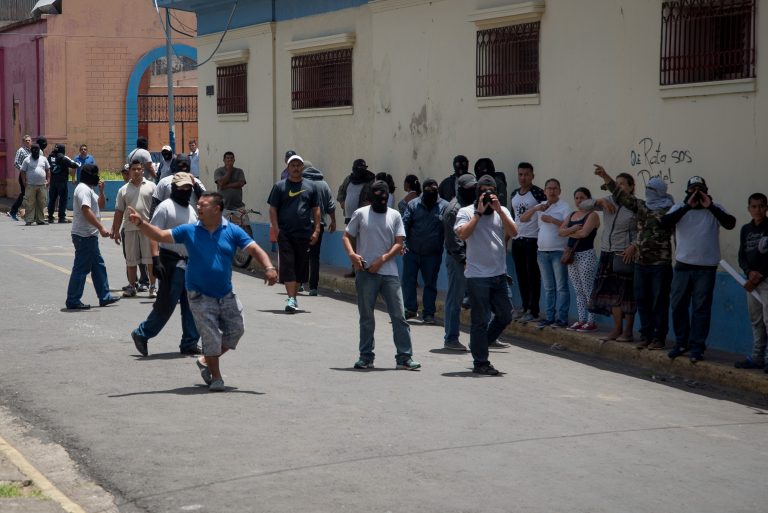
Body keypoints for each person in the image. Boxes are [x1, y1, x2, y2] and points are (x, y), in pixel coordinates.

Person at [126, 192, 279, 392]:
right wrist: (141, 224)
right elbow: (161, 235)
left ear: (217, 209)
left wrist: (269, 268)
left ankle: (206, 359)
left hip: (225, 293)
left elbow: (255, 249)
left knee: (236, 330)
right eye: (197, 205)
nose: (198, 208)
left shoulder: (232, 231)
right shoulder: (189, 230)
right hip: (198, 294)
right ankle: (216, 377)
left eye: (203, 205)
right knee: (211, 336)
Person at [342, 180, 421, 371]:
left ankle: (404, 357)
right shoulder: (361, 214)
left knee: (398, 316)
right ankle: (366, 356)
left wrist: (382, 260)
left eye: (385, 195)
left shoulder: (394, 215)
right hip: (366, 273)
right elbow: (346, 236)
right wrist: (352, 255)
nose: (382, 199)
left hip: (389, 274)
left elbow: (399, 243)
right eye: (377, 195)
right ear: (371, 196)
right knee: (367, 317)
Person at [595, 166, 674, 350]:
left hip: (660, 265)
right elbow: (621, 195)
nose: (649, 193)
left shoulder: (670, 210)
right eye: (648, 189)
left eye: (653, 190)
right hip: (641, 263)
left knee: (659, 302)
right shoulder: (642, 206)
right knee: (642, 300)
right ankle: (646, 336)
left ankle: (658, 338)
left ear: (661, 192)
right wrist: (605, 176)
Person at [661, 176, 735, 362]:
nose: (697, 193)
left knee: (701, 308)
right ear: (687, 192)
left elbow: (730, 223)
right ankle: (681, 342)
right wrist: (688, 206)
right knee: (678, 306)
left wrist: (710, 206)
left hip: (706, 268)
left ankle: (697, 346)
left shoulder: (715, 208)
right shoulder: (679, 207)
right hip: (683, 266)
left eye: (700, 189)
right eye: (693, 189)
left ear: (706, 191)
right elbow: (664, 224)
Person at [131, 172, 201, 357]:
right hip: (171, 263)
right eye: (182, 187)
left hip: (190, 264)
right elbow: (154, 233)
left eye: (188, 187)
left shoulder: (191, 209)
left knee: (192, 304)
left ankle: (190, 342)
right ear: (174, 188)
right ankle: (142, 333)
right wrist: (156, 259)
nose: (185, 190)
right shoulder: (165, 207)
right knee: (167, 303)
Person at [454, 175, 518, 375]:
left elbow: (514, 232)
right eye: (483, 191)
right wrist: (478, 214)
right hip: (477, 276)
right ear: (477, 192)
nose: (487, 195)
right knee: (480, 320)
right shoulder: (466, 212)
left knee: (505, 315)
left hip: (499, 274)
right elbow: (463, 234)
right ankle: (481, 362)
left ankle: (480, 343)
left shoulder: (502, 211)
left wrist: (500, 211)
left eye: (491, 191)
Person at [587, 172, 638, 342]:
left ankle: (628, 332)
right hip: (607, 252)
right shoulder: (608, 200)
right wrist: (599, 201)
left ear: (631, 187)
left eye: (623, 184)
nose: (619, 186)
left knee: (627, 295)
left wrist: (634, 246)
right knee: (612, 295)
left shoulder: (635, 206)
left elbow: (644, 230)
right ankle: (617, 329)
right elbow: (583, 205)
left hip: (624, 253)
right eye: (617, 183)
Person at [267, 155, 321, 313]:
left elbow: (316, 210)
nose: (296, 168)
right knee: (288, 265)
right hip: (285, 233)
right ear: (288, 168)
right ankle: (291, 298)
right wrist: (276, 229)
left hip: (304, 234)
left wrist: (317, 229)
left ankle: (293, 296)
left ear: (302, 168)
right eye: (293, 165)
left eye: (299, 165)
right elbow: (273, 209)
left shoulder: (311, 186)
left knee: (300, 268)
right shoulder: (280, 187)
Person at [65, 164, 120, 309]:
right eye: (96, 174)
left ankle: (104, 296)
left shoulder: (89, 190)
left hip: (89, 236)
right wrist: (101, 227)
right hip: (84, 236)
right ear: (90, 175)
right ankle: (73, 300)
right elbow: (86, 210)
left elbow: (100, 205)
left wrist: (101, 191)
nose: (98, 177)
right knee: (81, 268)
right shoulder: (83, 189)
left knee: (98, 267)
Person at [520, 178, 570, 328]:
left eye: (555, 188)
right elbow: (523, 219)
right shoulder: (540, 206)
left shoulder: (564, 206)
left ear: (559, 191)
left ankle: (562, 318)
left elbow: (569, 226)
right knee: (548, 287)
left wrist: (553, 220)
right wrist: (536, 209)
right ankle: (549, 317)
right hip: (542, 252)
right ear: (545, 191)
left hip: (558, 251)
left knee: (561, 287)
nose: (552, 191)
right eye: (549, 188)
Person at [401, 178, 449, 323]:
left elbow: (449, 229)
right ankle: (410, 309)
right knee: (408, 280)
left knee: (430, 284)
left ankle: (428, 313)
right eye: (428, 190)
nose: (431, 193)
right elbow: (405, 224)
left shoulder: (445, 206)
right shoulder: (413, 205)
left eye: (434, 191)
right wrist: (402, 243)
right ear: (423, 190)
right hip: (412, 251)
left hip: (433, 254)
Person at [112, 160, 157, 298]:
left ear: (143, 170)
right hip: (130, 229)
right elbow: (119, 211)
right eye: (134, 169)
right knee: (131, 261)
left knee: (150, 260)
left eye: (139, 169)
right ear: (129, 171)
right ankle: (132, 286)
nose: (136, 171)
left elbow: (158, 209)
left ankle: (152, 287)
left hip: (148, 229)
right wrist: (115, 231)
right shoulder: (123, 190)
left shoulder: (152, 187)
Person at [442, 173, 477, 351]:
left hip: (473, 258)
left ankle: (487, 336)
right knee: (455, 299)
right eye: (471, 188)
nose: (474, 191)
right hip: (458, 259)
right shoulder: (454, 209)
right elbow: (452, 241)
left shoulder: (471, 205)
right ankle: (451, 337)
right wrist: (464, 260)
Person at [509, 162, 547, 323]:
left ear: (532, 175)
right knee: (521, 276)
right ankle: (524, 307)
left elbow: (546, 210)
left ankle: (534, 310)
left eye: (526, 174)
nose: (523, 178)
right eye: (520, 174)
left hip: (533, 240)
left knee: (533, 276)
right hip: (517, 239)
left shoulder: (538, 193)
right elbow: (512, 217)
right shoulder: (514, 194)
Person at [559, 187, 600, 332]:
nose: (579, 201)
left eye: (582, 198)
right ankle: (581, 319)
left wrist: (569, 232)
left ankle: (591, 321)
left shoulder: (593, 215)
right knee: (578, 290)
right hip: (572, 256)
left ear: (588, 199)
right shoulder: (572, 214)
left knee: (588, 290)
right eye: (576, 198)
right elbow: (560, 231)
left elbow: (584, 233)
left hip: (586, 255)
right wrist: (573, 230)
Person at [302, 163, 337, 296]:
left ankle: (300, 283)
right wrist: (333, 221)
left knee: (302, 253)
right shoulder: (324, 184)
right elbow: (331, 205)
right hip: (319, 225)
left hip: (303, 224)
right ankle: (313, 287)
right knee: (314, 256)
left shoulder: (302, 183)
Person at [337, 158, 375, 277]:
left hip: (364, 218)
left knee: (363, 244)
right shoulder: (348, 179)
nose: (360, 171)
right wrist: (342, 202)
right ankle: (355, 269)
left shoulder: (370, 181)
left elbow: (372, 197)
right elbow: (340, 192)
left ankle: (364, 268)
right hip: (349, 217)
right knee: (352, 245)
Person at [47, 144, 79, 224]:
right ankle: (61, 217)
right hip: (62, 182)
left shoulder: (50, 157)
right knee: (63, 199)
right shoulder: (63, 157)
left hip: (53, 182)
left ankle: (50, 216)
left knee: (52, 200)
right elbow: (75, 165)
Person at [20, 144, 50, 226]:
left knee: (42, 202)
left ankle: (40, 220)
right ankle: (29, 220)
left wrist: (48, 180)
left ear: (39, 150)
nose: (35, 150)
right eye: (33, 149)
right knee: (29, 203)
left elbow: (48, 170)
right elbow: (22, 171)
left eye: (37, 149)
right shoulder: (27, 160)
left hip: (42, 185)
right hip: (30, 185)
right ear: (31, 150)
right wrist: (24, 181)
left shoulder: (44, 159)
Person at [8, 135, 32, 221]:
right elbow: (16, 162)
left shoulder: (31, 151)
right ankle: (13, 211)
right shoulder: (21, 151)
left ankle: (29, 213)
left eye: (29, 140)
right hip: (23, 176)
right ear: (23, 142)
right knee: (24, 194)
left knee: (29, 194)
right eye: (26, 140)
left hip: (31, 176)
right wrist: (23, 170)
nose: (28, 142)